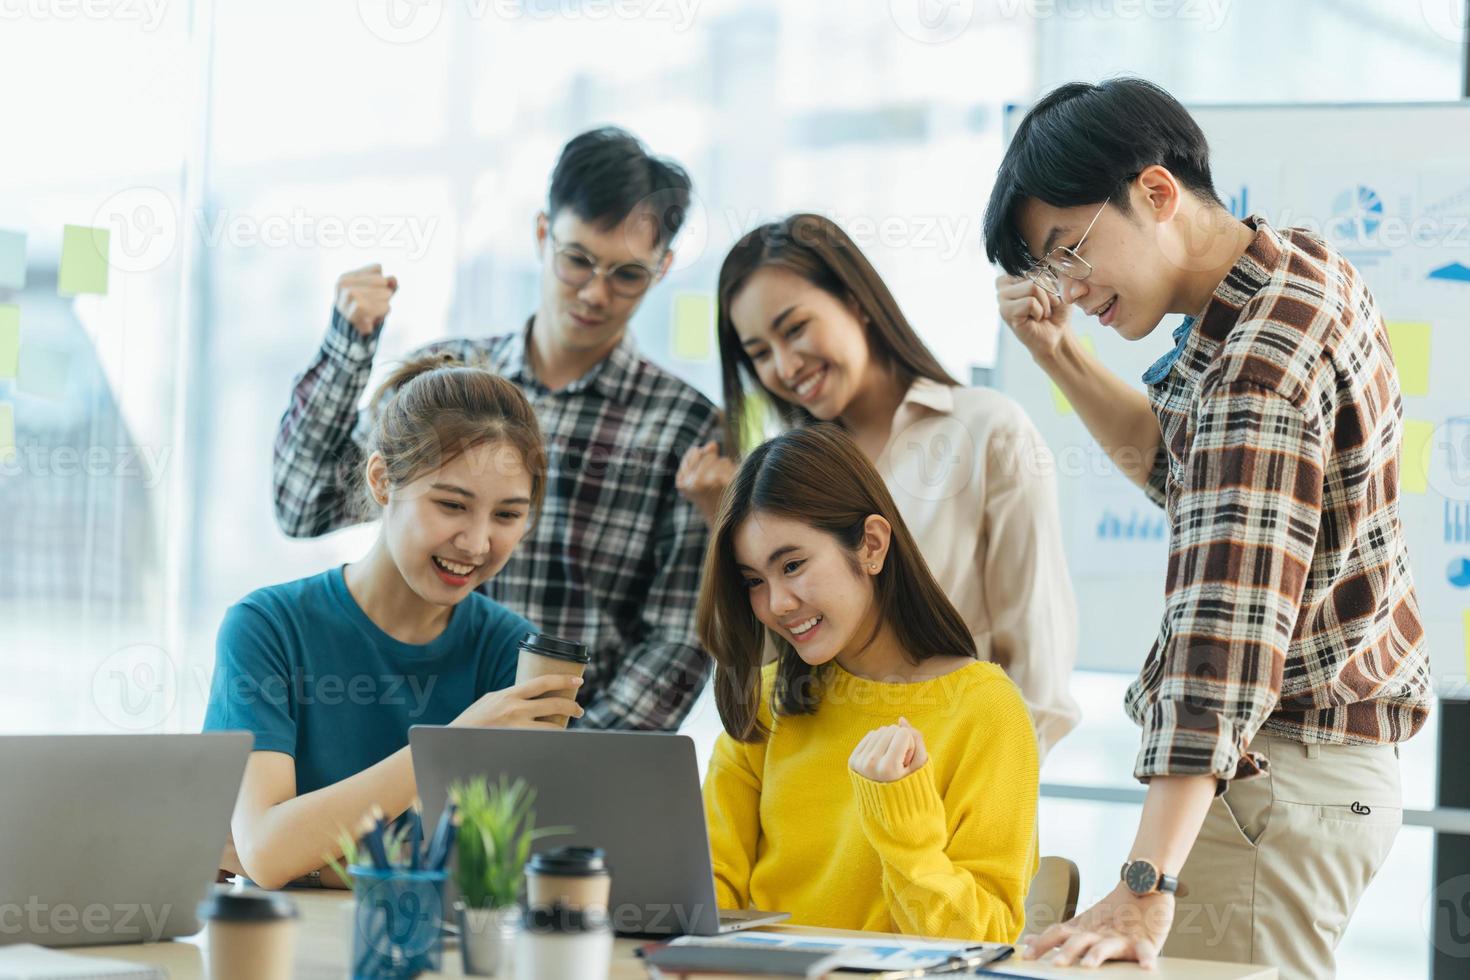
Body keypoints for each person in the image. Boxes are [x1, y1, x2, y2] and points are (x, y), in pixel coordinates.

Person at [985, 78, 1432, 977]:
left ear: (1155, 193)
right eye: (1045, 272)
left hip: (1275, 778)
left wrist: (1146, 881)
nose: (1068, 290)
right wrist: (1060, 353)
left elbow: (1221, 642)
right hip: (1305, 778)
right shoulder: (1294, 272)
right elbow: (1180, 472)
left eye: (1068, 251)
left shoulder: (1255, 368)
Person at [272, 127, 719, 732]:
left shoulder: (686, 431)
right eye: (577, 259)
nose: (594, 292)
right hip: (398, 736)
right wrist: (348, 348)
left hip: (563, 775)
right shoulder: (449, 381)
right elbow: (305, 506)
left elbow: (677, 635)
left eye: (627, 275)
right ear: (542, 233)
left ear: (662, 269)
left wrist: (556, 762)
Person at [677, 213, 1078, 757]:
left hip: (951, 790)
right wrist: (721, 519)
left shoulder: (986, 431)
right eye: (759, 352)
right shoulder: (781, 476)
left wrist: (982, 792)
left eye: (795, 329)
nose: (786, 366)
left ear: (856, 300)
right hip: (819, 789)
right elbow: (777, 663)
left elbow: (1038, 663)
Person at [206, 355, 586, 890]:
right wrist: (454, 745)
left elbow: (498, 873)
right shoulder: (267, 628)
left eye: (507, 515)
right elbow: (269, 852)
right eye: (452, 505)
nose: (477, 543)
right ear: (383, 481)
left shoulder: (511, 653)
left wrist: (306, 855)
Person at [698, 424, 1039, 941]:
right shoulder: (765, 703)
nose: (776, 604)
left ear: (872, 546)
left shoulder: (986, 710)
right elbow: (704, 893)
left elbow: (987, 937)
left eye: (792, 564)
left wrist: (904, 829)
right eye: (753, 582)